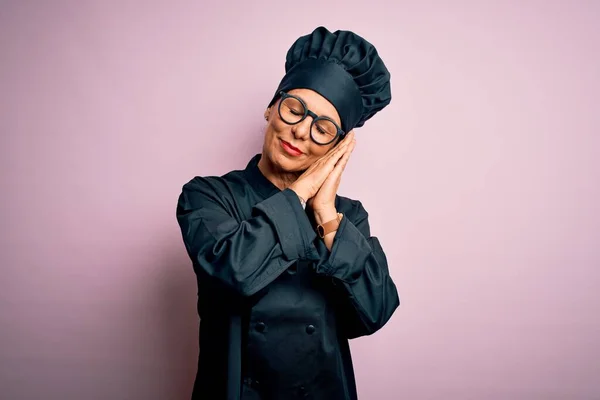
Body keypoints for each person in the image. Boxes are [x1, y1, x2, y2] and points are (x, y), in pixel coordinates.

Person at [176, 26, 400, 400]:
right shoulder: (208, 196)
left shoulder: (346, 218)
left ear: (337, 146)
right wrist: (298, 195)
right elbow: (233, 273)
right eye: (295, 110)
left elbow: (374, 313)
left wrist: (326, 213)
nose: (300, 132)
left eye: (323, 129)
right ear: (271, 107)